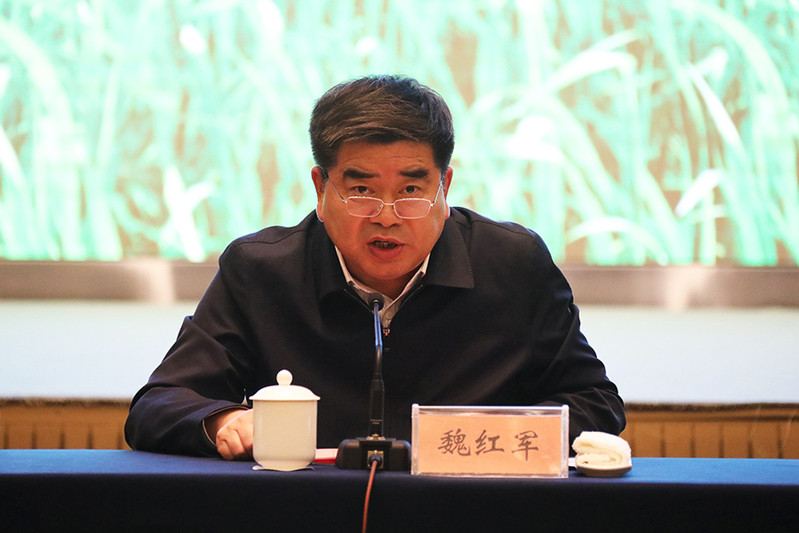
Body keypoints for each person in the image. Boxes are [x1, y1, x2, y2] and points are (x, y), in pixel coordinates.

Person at [125, 75, 625, 460]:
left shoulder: (513, 264)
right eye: (361, 189)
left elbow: (595, 403)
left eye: (411, 189)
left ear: (444, 189)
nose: (387, 215)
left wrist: (490, 437)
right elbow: (158, 404)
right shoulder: (260, 271)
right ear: (321, 189)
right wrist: (223, 421)